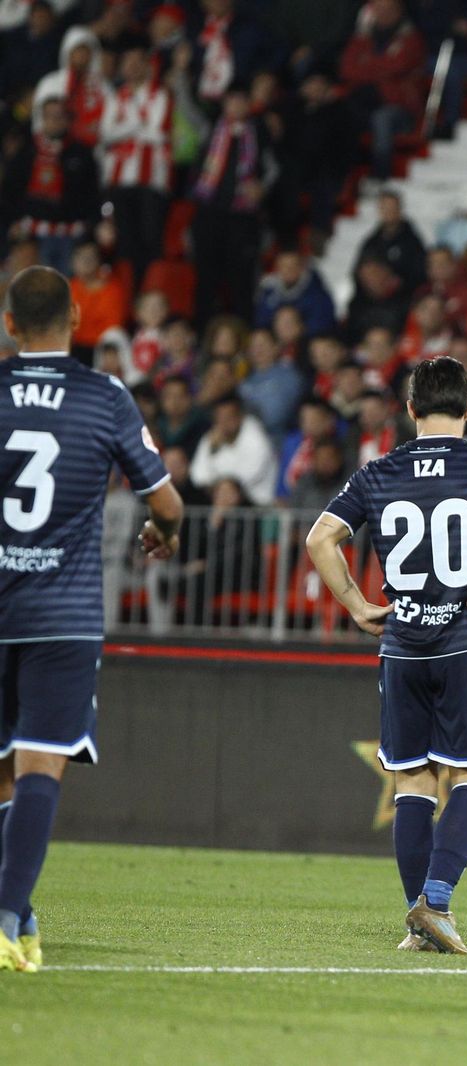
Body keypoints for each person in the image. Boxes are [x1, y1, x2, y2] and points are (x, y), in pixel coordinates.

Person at [304, 357, 467, 955]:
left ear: (410, 409)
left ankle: (420, 917)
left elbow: (321, 539)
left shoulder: (378, 471)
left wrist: (357, 605)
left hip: (402, 645)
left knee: (412, 778)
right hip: (466, 639)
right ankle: (434, 903)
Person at [0, 266, 183, 972]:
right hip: (63, 611)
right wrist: (164, 532)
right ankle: (8, 915)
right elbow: (165, 502)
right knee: (42, 761)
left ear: (9, 324)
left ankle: (19, 910)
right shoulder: (103, 395)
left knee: (4, 772)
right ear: (76, 318)